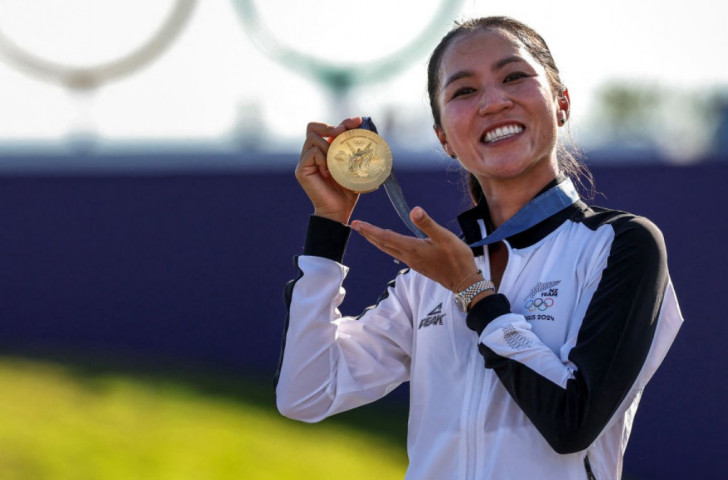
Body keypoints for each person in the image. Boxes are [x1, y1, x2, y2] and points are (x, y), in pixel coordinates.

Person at [275, 16, 683, 480]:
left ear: (561, 102)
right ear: (444, 138)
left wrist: (473, 293)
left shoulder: (621, 244)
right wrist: (329, 227)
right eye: (464, 91)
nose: (493, 102)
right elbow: (305, 394)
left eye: (514, 77)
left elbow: (572, 423)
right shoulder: (429, 279)